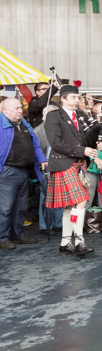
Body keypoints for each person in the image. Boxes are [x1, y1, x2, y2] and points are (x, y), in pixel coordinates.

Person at [45, 84, 97, 256]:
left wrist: (97, 143)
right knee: (81, 202)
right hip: (64, 164)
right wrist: (82, 151)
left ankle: (66, 242)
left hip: (79, 165)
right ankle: (80, 241)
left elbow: (87, 137)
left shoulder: (81, 115)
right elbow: (55, 142)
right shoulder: (54, 116)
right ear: (63, 99)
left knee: (71, 206)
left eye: (78, 98)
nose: (77, 101)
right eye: (73, 98)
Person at [0, 97, 47, 249]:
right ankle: (3, 238)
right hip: (7, 171)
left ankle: (17, 235)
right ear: (4, 110)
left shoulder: (24, 124)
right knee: (5, 208)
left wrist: (42, 159)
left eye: (21, 107)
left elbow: (35, 145)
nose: (20, 110)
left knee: (20, 206)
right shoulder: (1, 124)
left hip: (24, 170)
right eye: (16, 108)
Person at [34, 105, 63, 235]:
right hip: (46, 168)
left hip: (60, 166)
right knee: (46, 198)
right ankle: (45, 225)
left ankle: (58, 223)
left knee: (60, 196)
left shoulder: (61, 128)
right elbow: (36, 150)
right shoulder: (38, 130)